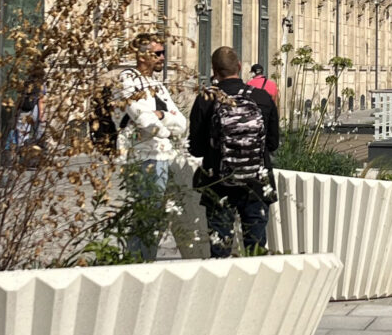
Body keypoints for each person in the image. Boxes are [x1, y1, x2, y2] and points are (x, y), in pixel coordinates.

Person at [189, 45, 280, 258]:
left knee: (220, 248)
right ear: (239, 66)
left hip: (219, 182)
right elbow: (273, 143)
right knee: (256, 246)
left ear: (214, 70)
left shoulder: (206, 99)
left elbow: (196, 148)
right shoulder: (262, 98)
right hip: (256, 183)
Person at [112, 34, 188, 261]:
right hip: (142, 157)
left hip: (162, 155)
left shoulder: (157, 85)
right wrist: (165, 127)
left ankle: (146, 261)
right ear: (142, 55)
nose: (162, 58)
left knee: (155, 217)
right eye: (157, 54)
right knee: (145, 216)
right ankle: (136, 263)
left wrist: (162, 115)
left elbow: (182, 123)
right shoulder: (128, 80)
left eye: (163, 53)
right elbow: (144, 120)